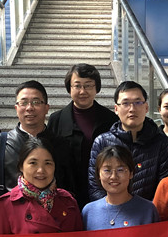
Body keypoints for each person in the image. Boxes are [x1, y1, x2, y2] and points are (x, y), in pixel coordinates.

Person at [47, 63, 119, 209]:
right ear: (69, 88)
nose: (82, 91)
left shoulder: (110, 119)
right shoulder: (56, 120)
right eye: (77, 86)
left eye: (88, 85)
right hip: (65, 193)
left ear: (97, 88)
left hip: (103, 192)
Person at [88, 80, 168, 202]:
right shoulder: (102, 142)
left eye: (138, 102)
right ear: (116, 109)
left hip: (149, 212)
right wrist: (114, 209)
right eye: (126, 103)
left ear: (146, 107)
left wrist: (147, 209)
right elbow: (95, 185)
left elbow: (166, 185)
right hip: (111, 211)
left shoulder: (161, 142)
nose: (132, 109)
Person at [0, 80, 74, 200]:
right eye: (23, 103)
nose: (29, 108)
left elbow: (69, 185)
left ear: (46, 108)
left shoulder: (61, 144)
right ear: (16, 108)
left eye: (36, 102)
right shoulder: (0, 143)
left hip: (53, 208)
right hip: (12, 208)